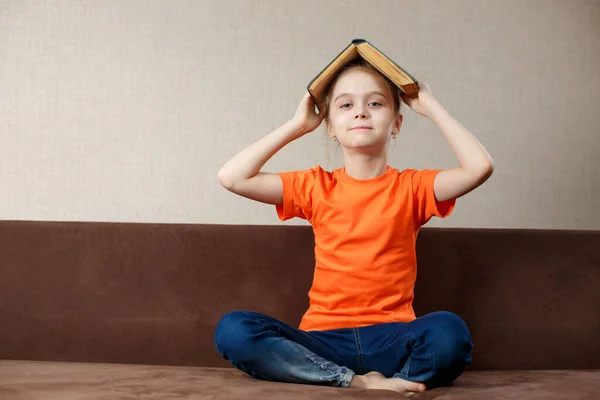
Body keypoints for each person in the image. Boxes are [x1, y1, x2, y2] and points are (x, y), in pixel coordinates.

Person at [214, 58, 494, 395]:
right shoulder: (315, 186)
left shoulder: (413, 188)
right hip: (322, 342)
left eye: (375, 103)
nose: (361, 112)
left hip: (393, 338)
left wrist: (431, 107)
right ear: (331, 126)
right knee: (234, 329)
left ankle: (390, 377)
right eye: (346, 105)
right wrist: (297, 125)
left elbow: (479, 167)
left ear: (396, 124)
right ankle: (359, 382)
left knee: (450, 331)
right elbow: (232, 177)